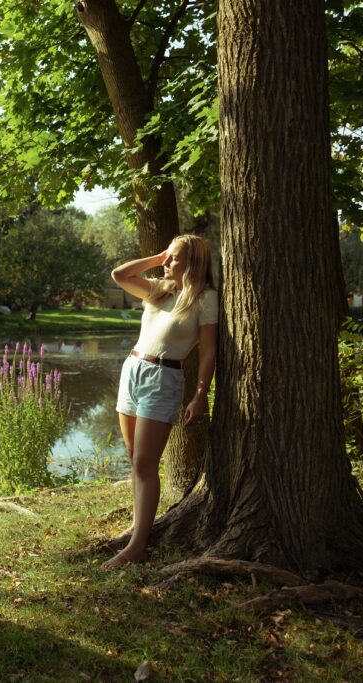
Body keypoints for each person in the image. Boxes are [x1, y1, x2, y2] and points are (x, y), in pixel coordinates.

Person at [103, 234, 218, 569]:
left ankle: (138, 546)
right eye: (167, 257)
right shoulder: (160, 289)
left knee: (143, 463)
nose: (167, 263)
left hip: (163, 379)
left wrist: (200, 395)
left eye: (174, 258)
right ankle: (139, 528)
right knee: (134, 459)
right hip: (133, 371)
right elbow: (119, 275)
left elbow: (210, 351)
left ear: (193, 262)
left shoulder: (205, 298)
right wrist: (159, 257)